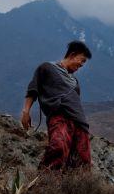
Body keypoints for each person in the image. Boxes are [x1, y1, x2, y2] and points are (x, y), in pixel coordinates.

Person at [21, 41, 92, 170]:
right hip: (58, 117)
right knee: (58, 147)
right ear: (72, 54)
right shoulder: (47, 68)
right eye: (81, 61)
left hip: (80, 123)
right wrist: (26, 111)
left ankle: (74, 188)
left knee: (82, 160)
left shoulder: (75, 82)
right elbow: (33, 90)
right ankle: (44, 183)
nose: (81, 65)